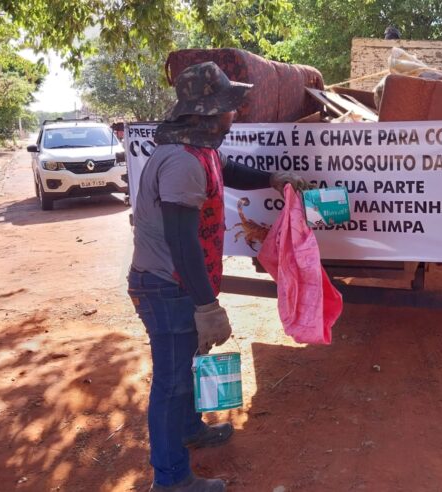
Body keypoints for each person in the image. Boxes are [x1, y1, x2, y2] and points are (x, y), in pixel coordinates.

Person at [127, 61, 309, 492]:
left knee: (187, 365)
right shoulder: (182, 162)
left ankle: (190, 429)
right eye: (229, 107)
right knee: (171, 382)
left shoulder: (201, 148)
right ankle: (170, 481)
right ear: (207, 113)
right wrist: (206, 305)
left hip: (179, 281)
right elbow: (181, 239)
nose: (235, 113)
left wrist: (271, 178)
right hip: (167, 283)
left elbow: (228, 171)